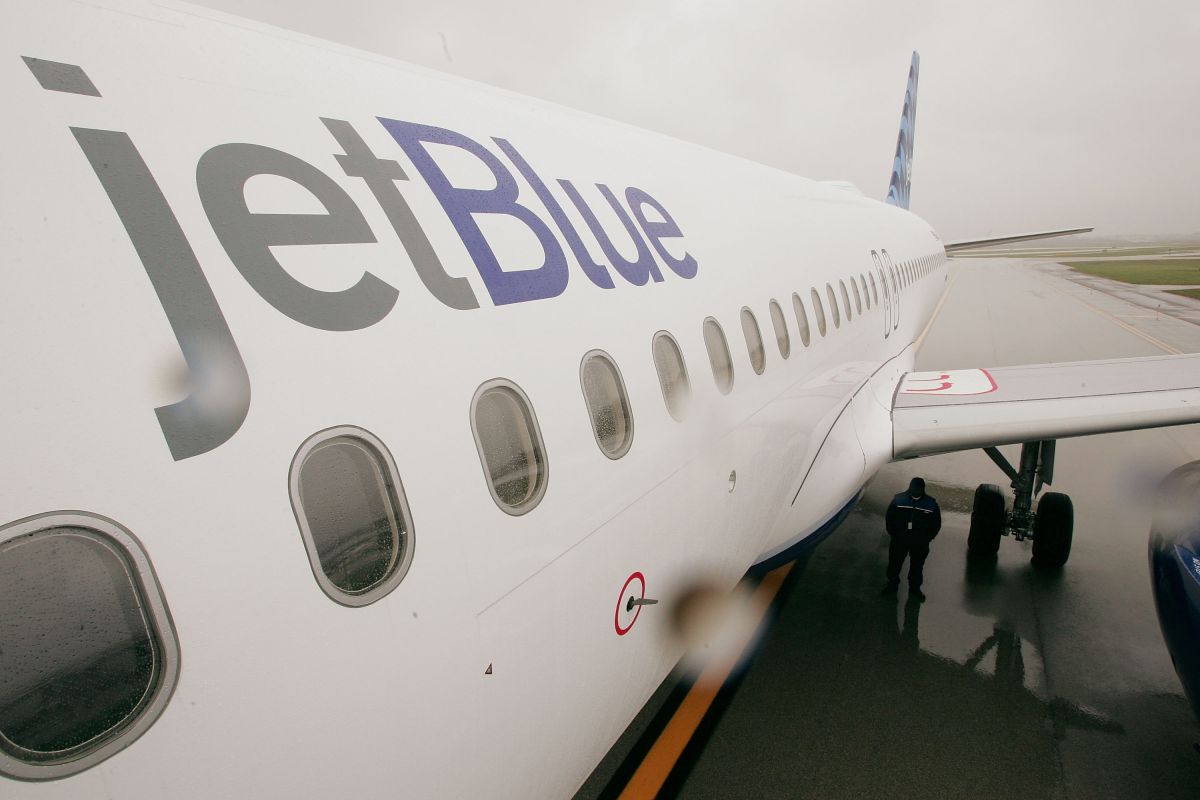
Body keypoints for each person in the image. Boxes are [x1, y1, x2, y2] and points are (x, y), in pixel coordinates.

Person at [883, 477, 941, 600]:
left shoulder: (931, 504)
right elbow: (889, 518)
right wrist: (895, 535)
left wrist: (927, 539)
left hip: (920, 543)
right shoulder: (898, 499)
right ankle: (892, 584)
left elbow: (936, 524)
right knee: (895, 563)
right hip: (900, 541)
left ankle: (915, 588)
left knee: (917, 566)